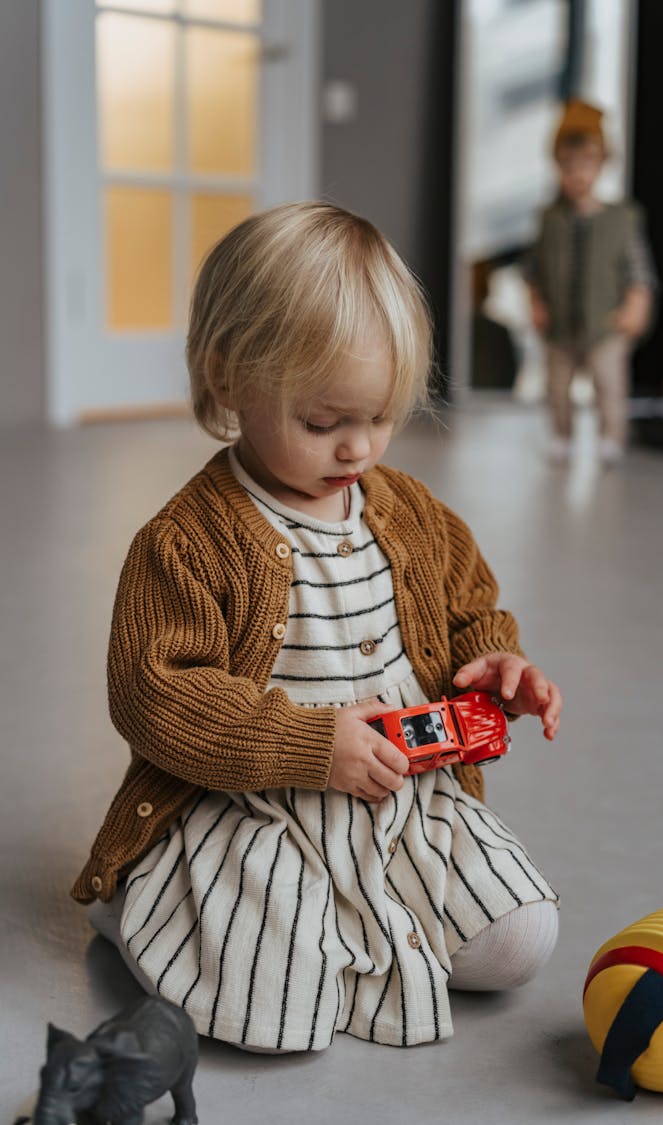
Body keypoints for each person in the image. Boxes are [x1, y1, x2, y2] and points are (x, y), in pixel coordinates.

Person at [73, 202, 562, 1053]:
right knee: (279, 1012)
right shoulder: (186, 540)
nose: (358, 450)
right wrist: (307, 746)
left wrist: (495, 659)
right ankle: (141, 899)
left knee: (522, 941)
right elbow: (155, 695)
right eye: (322, 422)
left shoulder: (409, 511)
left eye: (381, 416)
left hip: (402, 797)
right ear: (229, 379)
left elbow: (468, 603)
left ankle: (354, 908)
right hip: (251, 805)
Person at [526, 99, 658, 465]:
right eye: (568, 166)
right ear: (557, 168)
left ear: (601, 166)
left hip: (606, 321)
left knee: (609, 384)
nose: (577, 175)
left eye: (587, 165)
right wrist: (536, 304)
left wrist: (636, 305)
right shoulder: (548, 219)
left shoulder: (622, 218)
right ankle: (562, 436)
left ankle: (610, 438)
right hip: (560, 323)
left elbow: (639, 271)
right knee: (557, 386)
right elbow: (533, 270)